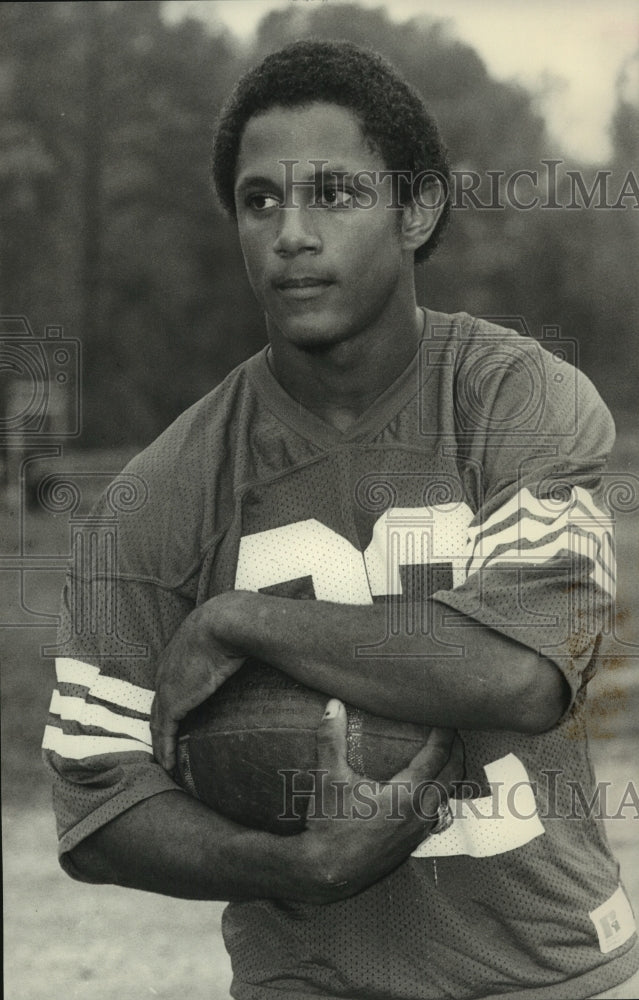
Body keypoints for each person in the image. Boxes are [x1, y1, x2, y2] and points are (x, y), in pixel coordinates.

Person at [43, 40, 638, 1000]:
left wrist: (237, 617)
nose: (291, 234)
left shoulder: (515, 398)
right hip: (308, 980)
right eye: (260, 201)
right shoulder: (158, 493)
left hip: (546, 970)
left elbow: (522, 675)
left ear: (417, 210)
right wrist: (291, 867)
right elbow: (94, 797)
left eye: (333, 193)